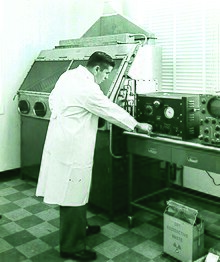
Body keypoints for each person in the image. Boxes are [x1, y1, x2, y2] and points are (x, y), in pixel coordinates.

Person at [36, 51, 152, 261]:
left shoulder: (69, 75)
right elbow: (109, 109)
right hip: (73, 148)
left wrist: (68, 116)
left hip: (62, 139)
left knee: (73, 191)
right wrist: (136, 125)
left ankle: (82, 227)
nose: (106, 77)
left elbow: (52, 98)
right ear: (97, 69)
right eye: (106, 73)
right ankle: (71, 246)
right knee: (72, 194)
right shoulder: (87, 87)